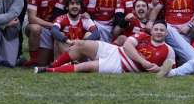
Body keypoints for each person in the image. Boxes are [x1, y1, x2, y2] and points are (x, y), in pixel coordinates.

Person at [34, 20, 175, 75]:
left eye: (162, 30)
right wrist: (143, 62)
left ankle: (48, 70)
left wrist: (159, 70)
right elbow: (127, 45)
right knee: (80, 44)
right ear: (152, 30)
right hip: (115, 51)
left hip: (120, 64)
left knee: (85, 66)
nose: (158, 32)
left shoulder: (169, 50)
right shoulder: (143, 35)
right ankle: (53, 64)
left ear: (166, 33)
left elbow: (170, 69)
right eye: (156, 29)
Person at [25, 0, 63, 67]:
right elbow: (32, 19)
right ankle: (33, 59)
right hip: (37, 25)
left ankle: (55, 57)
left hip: (51, 27)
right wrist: (52, 25)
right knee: (35, 28)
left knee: (44, 62)